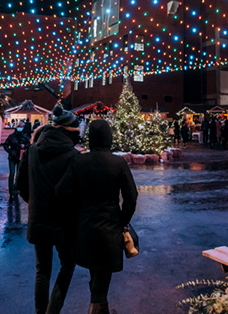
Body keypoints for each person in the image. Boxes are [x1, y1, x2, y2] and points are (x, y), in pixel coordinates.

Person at [56, 120, 138, 314]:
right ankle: (98, 308)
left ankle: (99, 306)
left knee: (95, 271)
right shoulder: (118, 163)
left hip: (84, 225)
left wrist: (76, 209)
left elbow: (61, 191)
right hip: (110, 225)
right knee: (103, 274)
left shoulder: (79, 161)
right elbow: (131, 197)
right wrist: (122, 220)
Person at [17, 106, 82, 314]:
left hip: (38, 219)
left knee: (42, 270)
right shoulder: (73, 156)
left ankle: (41, 312)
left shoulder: (32, 150)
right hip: (64, 223)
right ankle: (53, 311)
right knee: (68, 264)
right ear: (70, 131)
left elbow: (20, 184)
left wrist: (34, 201)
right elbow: (77, 191)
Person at [3, 123, 30, 200]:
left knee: (19, 174)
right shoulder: (12, 136)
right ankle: (11, 190)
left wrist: (24, 146)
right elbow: (5, 145)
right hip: (12, 157)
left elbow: (29, 145)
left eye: (21, 127)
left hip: (20, 157)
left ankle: (16, 188)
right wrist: (10, 151)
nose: (20, 128)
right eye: (19, 127)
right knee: (12, 174)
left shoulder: (25, 137)